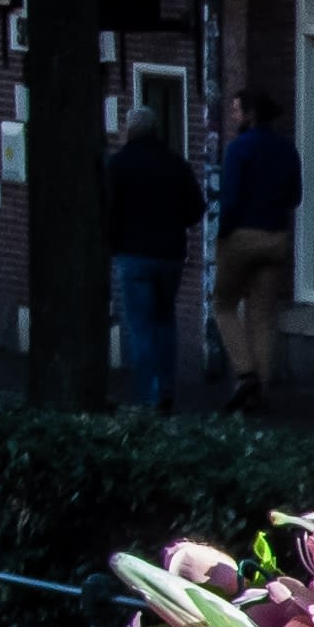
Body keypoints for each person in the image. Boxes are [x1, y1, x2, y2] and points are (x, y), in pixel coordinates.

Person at [105, 105, 202, 414]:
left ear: (129, 131)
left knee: (141, 326)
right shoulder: (176, 164)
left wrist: (114, 239)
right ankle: (168, 388)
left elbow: (107, 210)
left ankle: (150, 393)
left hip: (133, 256)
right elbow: (196, 209)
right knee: (165, 322)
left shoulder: (118, 165)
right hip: (170, 255)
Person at [213, 90, 301, 415]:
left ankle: (245, 373)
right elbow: (295, 196)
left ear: (250, 114)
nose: (234, 115)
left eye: (236, 110)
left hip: (242, 236)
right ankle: (260, 392)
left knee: (223, 305)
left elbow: (231, 199)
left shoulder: (238, 149)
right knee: (263, 316)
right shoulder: (287, 149)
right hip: (276, 236)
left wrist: (223, 234)